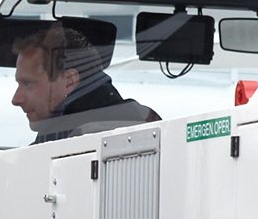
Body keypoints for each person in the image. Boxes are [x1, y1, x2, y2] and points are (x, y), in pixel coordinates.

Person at [11, 23, 160, 144]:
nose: (16, 99)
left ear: (69, 81)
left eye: (28, 84)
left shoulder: (64, 138)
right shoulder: (146, 120)